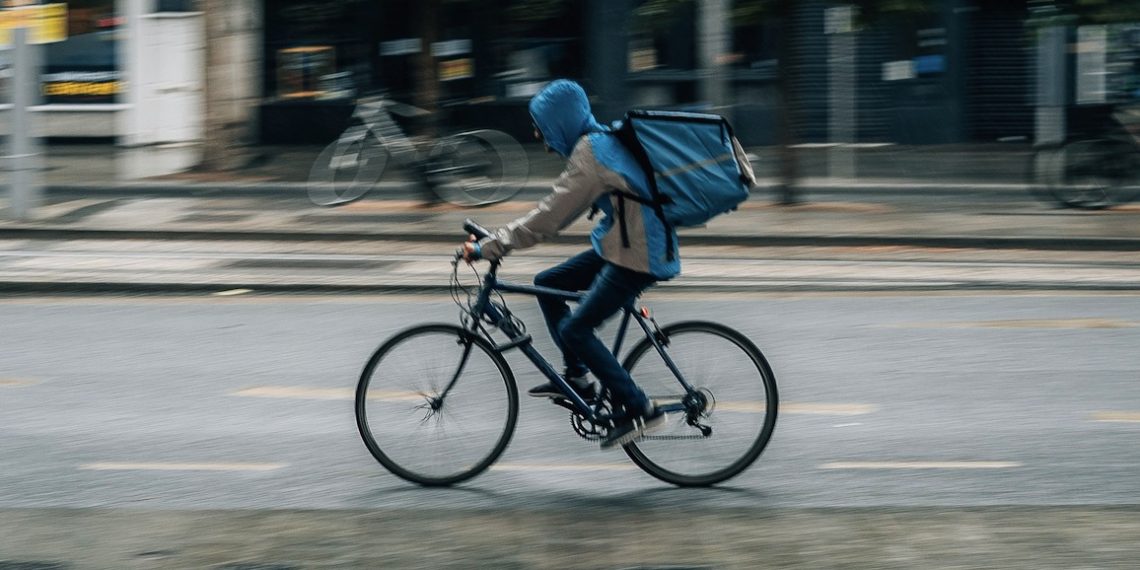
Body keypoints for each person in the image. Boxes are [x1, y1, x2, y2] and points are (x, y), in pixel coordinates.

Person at [461, 79, 678, 449]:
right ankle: (577, 377)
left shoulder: (592, 154)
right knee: (548, 284)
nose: (539, 137)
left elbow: (549, 218)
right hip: (624, 245)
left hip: (637, 254)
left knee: (577, 330)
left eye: (542, 127)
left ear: (560, 121)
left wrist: (491, 247)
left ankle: (641, 407)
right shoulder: (596, 143)